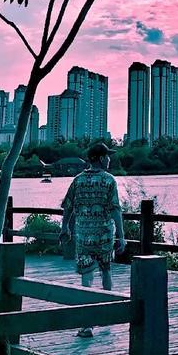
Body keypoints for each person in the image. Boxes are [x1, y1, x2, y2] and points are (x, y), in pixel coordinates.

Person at [59, 140, 127, 337]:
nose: (109, 160)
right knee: (106, 271)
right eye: (108, 156)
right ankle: (107, 314)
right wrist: (121, 236)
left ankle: (87, 324)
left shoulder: (78, 180)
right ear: (101, 158)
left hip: (83, 236)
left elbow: (68, 206)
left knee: (86, 278)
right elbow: (115, 209)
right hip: (104, 235)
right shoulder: (109, 180)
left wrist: (65, 228)